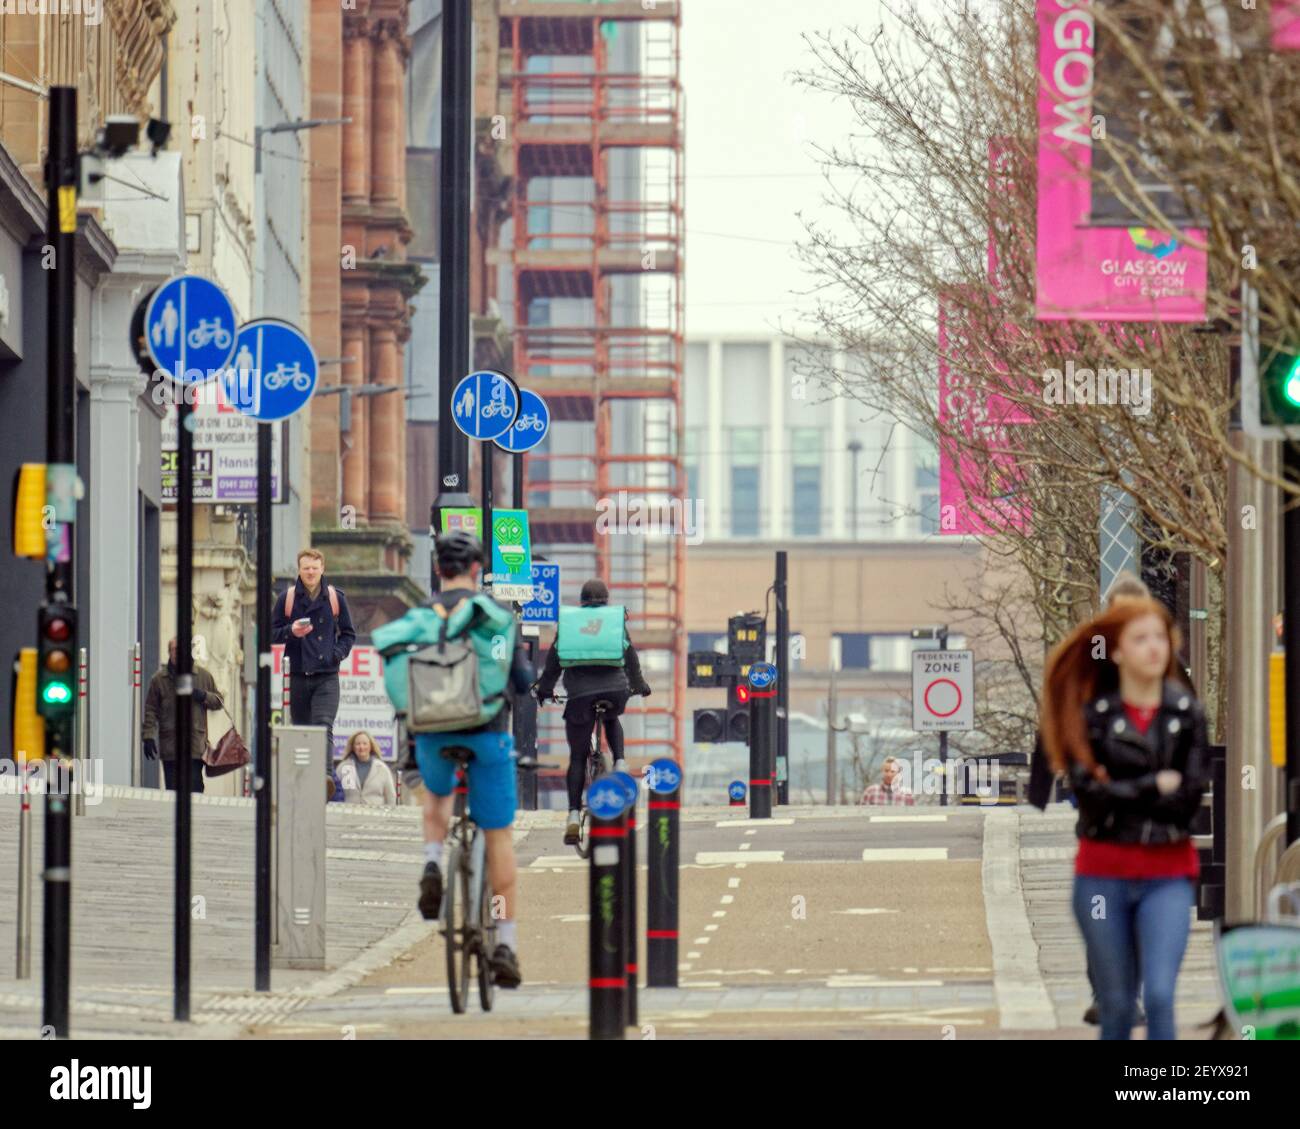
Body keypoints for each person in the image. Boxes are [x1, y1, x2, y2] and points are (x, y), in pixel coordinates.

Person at [1039, 595, 1208, 1041]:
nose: (1154, 648)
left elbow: (1188, 799)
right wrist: (1153, 785)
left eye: (1160, 638)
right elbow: (1092, 799)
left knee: (1160, 996)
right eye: (1140, 639)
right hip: (1102, 879)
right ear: (1116, 652)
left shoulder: (1186, 713)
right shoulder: (1094, 718)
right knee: (1116, 1004)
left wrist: (1123, 789)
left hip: (1168, 876)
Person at [372, 530, 533, 988]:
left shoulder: (420, 616)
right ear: (477, 569)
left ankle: (431, 862)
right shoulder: (495, 616)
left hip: (431, 733)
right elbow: (523, 680)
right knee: (498, 835)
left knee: (437, 796)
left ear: (438, 569)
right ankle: (505, 944)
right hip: (486, 733)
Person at [533, 578, 652, 845]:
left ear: (582, 601)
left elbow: (553, 663)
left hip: (580, 696)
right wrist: (639, 684)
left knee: (577, 757)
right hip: (616, 691)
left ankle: (574, 816)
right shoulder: (614, 621)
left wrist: (544, 689)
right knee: (611, 715)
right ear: (606, 600)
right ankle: (620, 762)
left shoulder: (570, 623)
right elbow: (630, 656)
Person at [273, 548, 356, 798]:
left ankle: (325, 777)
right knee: (301, 729)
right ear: (299, 570)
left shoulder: (335, 598)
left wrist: (336, 654)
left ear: (322, 569)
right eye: (306, 568)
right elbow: (270, 633)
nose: (310, 572)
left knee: (323, 725)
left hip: (326, 675)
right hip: (298, 674)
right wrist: (290, 631)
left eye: (314, 568)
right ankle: (303, 778)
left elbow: (348, 634)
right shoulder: (287, 599)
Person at [142, 638, 225, 793]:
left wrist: (203, 696)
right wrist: (148, 736)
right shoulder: (159, 680)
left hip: (195, 747)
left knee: (195, 790)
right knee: (173, 792)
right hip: (171, 748)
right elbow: (151, 709)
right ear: (169, 652)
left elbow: (219, 702)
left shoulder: (203, 676)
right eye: (175, 649)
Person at [337, 731, 397, 806]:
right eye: (358, 744)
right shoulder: (343, 767)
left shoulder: (382, 768)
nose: (361, 747)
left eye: (365, 743)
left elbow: (391, 797)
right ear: (353, 747)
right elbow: (336, 793)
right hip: (349, 812)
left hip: (375, 812)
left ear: (371, 746)